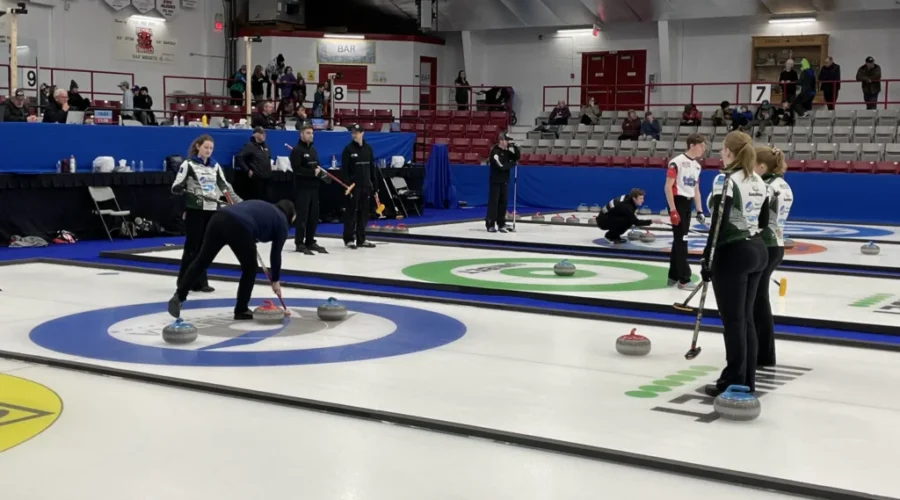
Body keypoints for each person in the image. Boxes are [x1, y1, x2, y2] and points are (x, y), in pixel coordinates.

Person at [701, 131, 770, 397]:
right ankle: (746, 379)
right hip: (757, 249)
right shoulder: (758, 180)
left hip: (733, 253)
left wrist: (707, 257)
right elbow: (763, 221)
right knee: (746, 319)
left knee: (733, 321)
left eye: (722, 149)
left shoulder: (725, 180)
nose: (720, 153)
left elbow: (719, 221)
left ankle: (732, 379)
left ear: (730, 151)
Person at [168, 200, 295, 321]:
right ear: (291, 217)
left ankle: (179, 295)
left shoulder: (266, 207)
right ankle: (241, 309)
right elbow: (275, 254)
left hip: (219, 217)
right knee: (250, 268)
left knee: (202, 260)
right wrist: (275, 280)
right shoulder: (282, 221)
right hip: (239, 226)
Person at [171, 135, 242, 295]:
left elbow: (224, 186)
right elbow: (176, 186)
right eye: (206, 147)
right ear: (198, 147)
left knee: (205, 247)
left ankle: (201, 282)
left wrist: (235, 203)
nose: (208, 151)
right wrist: (181, 189)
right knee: (192, 247)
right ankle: (183, 281)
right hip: (195, 210)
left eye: (211, 148)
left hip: (211, 209)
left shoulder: (215, 165)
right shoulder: (188, 164)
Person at [753, 146, 792, 368]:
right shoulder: (782, 183)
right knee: (759, 299)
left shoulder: (765, 186)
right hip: (776, 244)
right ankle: (763, 352)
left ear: (762, 166)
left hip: (766, 243)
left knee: (757, 301)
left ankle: (763, 354)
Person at [665, 133, 706, 291]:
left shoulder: (697, 166)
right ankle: (684, 278)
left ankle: (673, 275)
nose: (703, 149)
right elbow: (668, 187)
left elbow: (696, 189)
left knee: (679, 239)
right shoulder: (676, 162)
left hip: (688, 204)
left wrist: (700, 210)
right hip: (677, 202)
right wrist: (673, 210)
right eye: (701, 145)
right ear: (692, 145)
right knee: (682, 241)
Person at [291, 123, 330, 255]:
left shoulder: (312, 150)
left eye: (312, 133)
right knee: (303, 216)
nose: (311, 135)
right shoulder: (296, 150)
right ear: (301, 134)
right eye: (308, 133)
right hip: (302, 188)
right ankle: (299, 242)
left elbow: (316, 166)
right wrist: (312, 173)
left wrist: (321, 175)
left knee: (313, 216)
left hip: (314, 188)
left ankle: (310, 240)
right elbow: (297, 170)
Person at [341, 124, 378, 249]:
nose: (354, 135)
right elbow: (344, 171)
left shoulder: (368, 149)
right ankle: (349, 239)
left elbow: (372, 168)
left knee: (364, 213)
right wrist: (347, 186)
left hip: (366, 186)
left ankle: (361, 239)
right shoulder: (348, 149)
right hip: (353, 187)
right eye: (352, 133)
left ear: (362, 133)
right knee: (351, 212)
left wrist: (375, 185)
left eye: (356, 132)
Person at [485, 132, 519, 233]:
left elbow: (516, 157)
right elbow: (501, 167)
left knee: (503, 203)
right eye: (506, 140)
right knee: (494, 203)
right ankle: (490, 223)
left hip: (504, 181)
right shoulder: (495, 152)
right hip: (495, 181)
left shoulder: (506, 152)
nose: (508, 142)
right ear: (501, 141)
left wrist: (515, 148)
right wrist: (511, 164)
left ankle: (501, 223)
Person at [234, 127, 272, 201]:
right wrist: (247, 170)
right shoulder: (249, 146)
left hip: (267, 179)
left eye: (265, 133)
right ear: (255, 134)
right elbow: (239, 157)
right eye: (262, 133)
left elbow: (268, 158)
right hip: (257, 180)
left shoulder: (266, 146)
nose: (264, 135)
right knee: (257, 201)